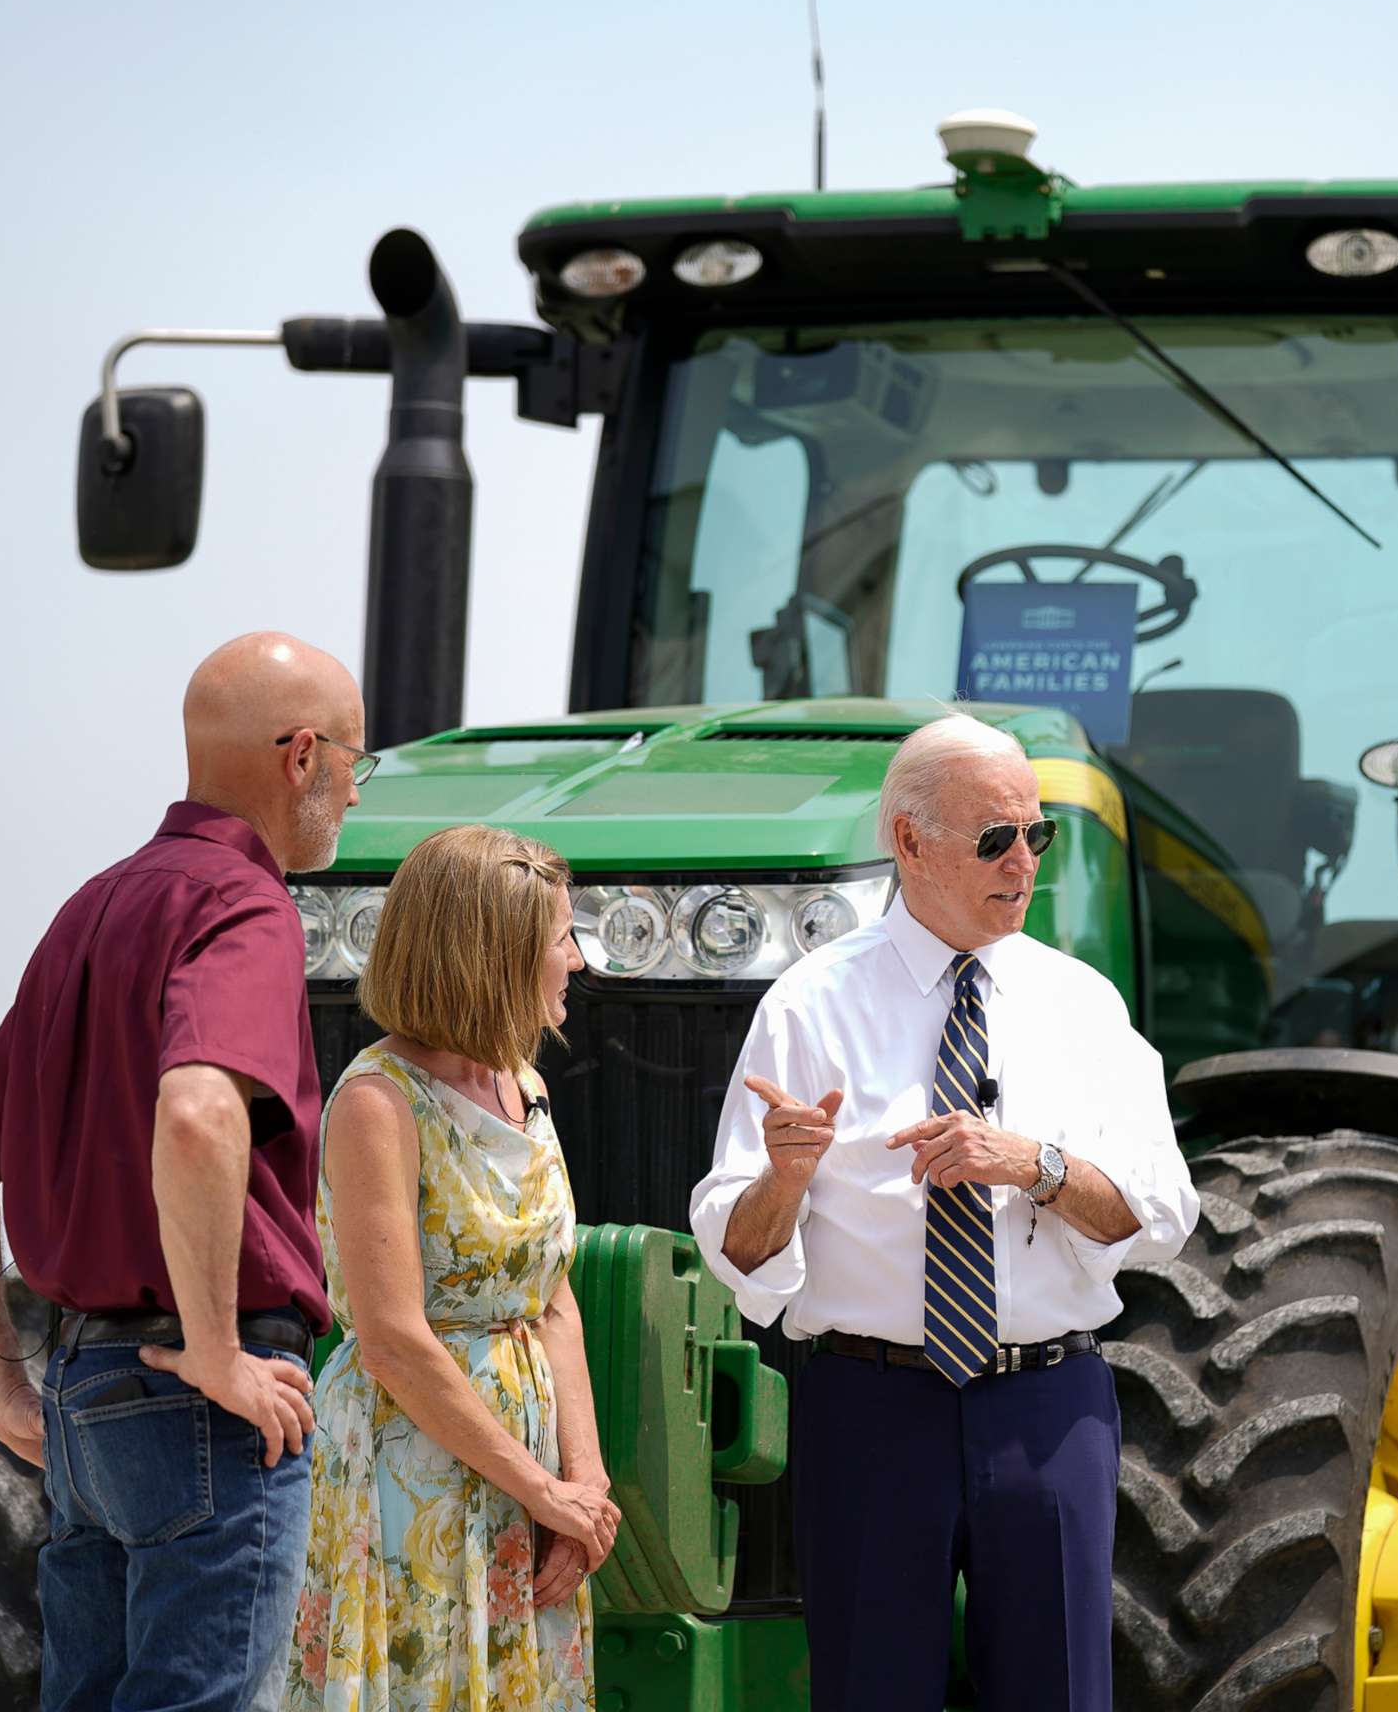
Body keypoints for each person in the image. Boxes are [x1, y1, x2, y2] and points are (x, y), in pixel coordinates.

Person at [688, 713, 1198, 1712]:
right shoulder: (808, 1006)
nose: (1023, 862)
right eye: (994, 838)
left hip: (1049, 1410)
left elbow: (1162, 1213)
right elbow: (737, 1255)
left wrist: (1034, 1163)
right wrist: (784, 1178)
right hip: (871, 1412)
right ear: (908, 842)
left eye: (1036, 835)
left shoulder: (1083, 1006)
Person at [0, 631, 364, 1711]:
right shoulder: (246, 909)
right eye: (356, 759)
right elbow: (203, 1114)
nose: (354, 789)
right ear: (302, 755)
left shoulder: (91, 911)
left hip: (83, 1405)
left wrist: (5, 1391)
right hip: (201, 1407)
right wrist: (216, 1354)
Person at [284, 824, 616, 1712]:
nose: (576, 960)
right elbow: (392, 1340)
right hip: (410, 1477)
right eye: (559, 939)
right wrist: (546, 1490)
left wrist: (585, 1487)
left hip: (529, 1477)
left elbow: (553, 1299)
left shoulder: (525, 1081)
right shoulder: (375, 1103)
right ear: (493, 955)